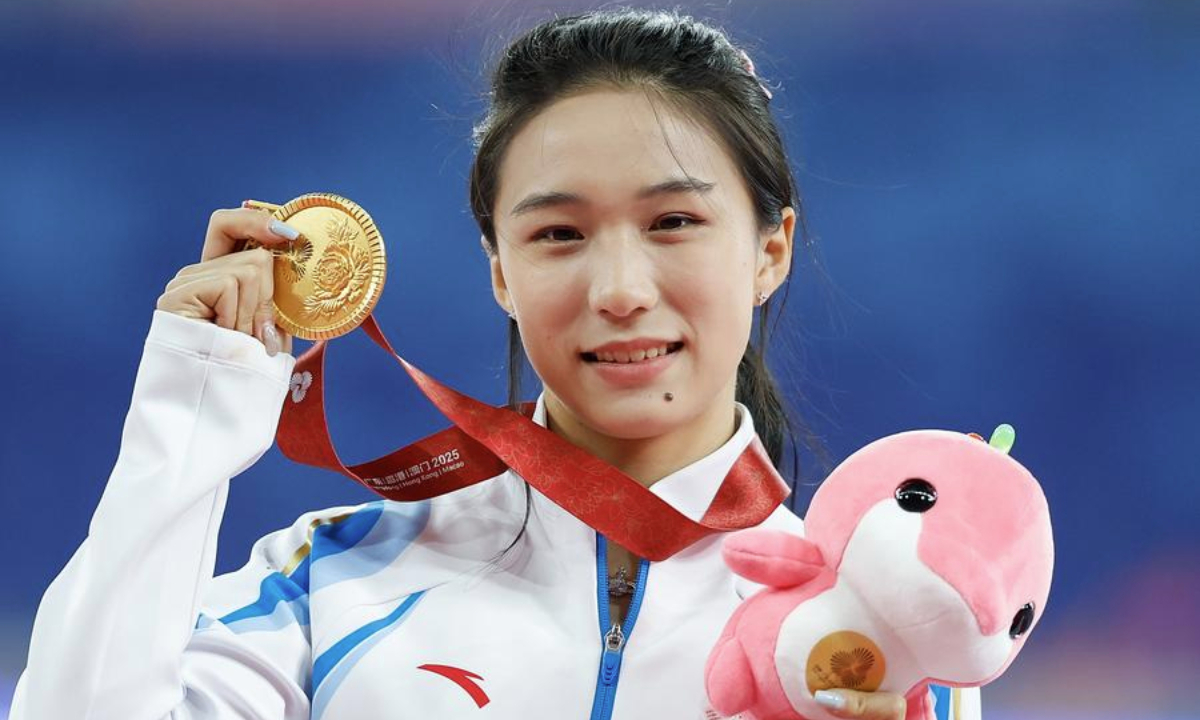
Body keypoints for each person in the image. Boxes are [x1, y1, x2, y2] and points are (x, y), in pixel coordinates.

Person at [10, 8, 981, 720]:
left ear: (770, 249)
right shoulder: (326, 586)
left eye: (674, 222)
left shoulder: (875, 648)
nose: (619, 287)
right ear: (501, 273)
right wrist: (188, 422)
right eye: (559, 233)